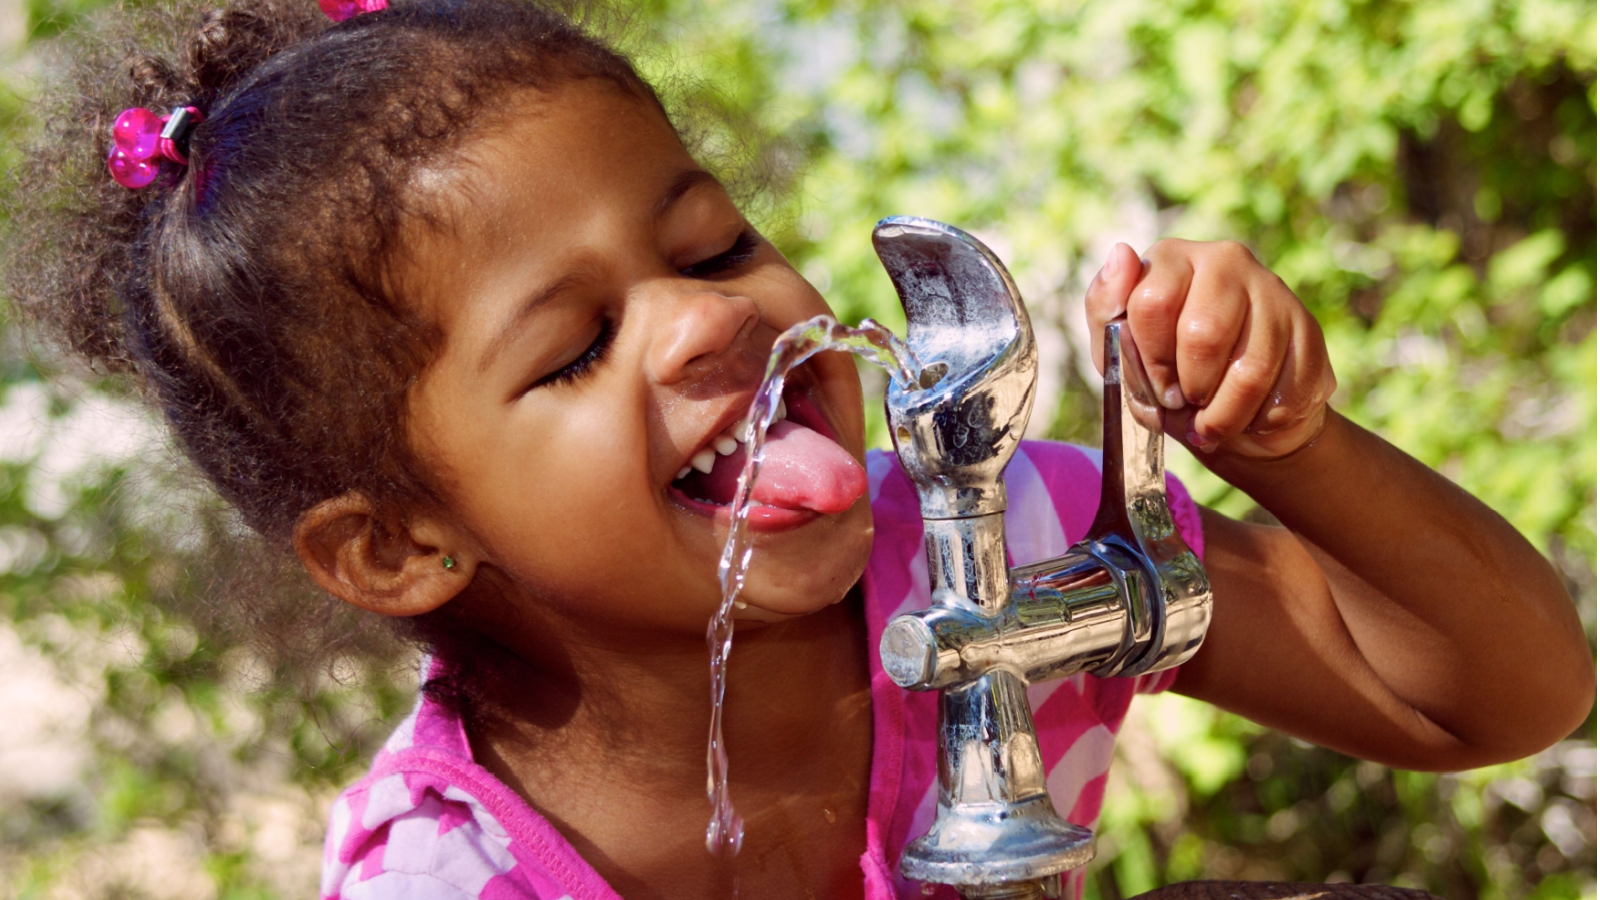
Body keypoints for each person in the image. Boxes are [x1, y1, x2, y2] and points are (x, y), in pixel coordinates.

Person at [4, 0, 1592, 897]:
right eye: (571, 351)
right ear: (404, 542)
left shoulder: (999, 552)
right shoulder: (459, 878)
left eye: (709, 248)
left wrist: (1285, 444)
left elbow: (1496, 692)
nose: (705, 327)